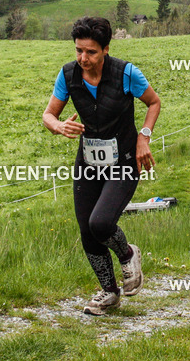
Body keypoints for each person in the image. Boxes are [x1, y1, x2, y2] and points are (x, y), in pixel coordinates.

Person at [42, 16, 161, 316]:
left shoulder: (126, 73)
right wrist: (58, 127)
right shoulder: (68, 75)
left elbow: (154, 103)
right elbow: (48, 115)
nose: (83, 58)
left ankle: (128, 253)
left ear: (106, 49)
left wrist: (143, 138)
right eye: (79, 50)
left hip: (123, 161)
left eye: (91, 52)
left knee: (101, 223)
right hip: (88, 163)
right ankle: (109, 292)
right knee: (86, 230)